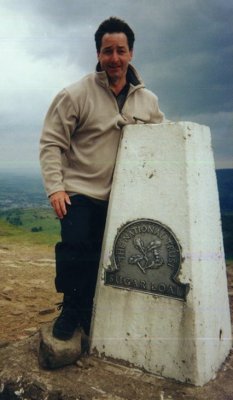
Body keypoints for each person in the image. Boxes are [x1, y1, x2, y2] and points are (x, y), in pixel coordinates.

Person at [40, 17, 164, 341]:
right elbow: (52, 142)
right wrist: (55, 188)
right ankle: (71, 309)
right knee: (76, 248)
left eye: (121, 51)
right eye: (107, 51)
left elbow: (163, 138)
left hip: (122, 197)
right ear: (98, 53)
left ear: (131, 53)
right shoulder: (75, 94)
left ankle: (90, 309)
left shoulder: (147, 101)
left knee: (105, 257)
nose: (114, 58)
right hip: (79, 190)